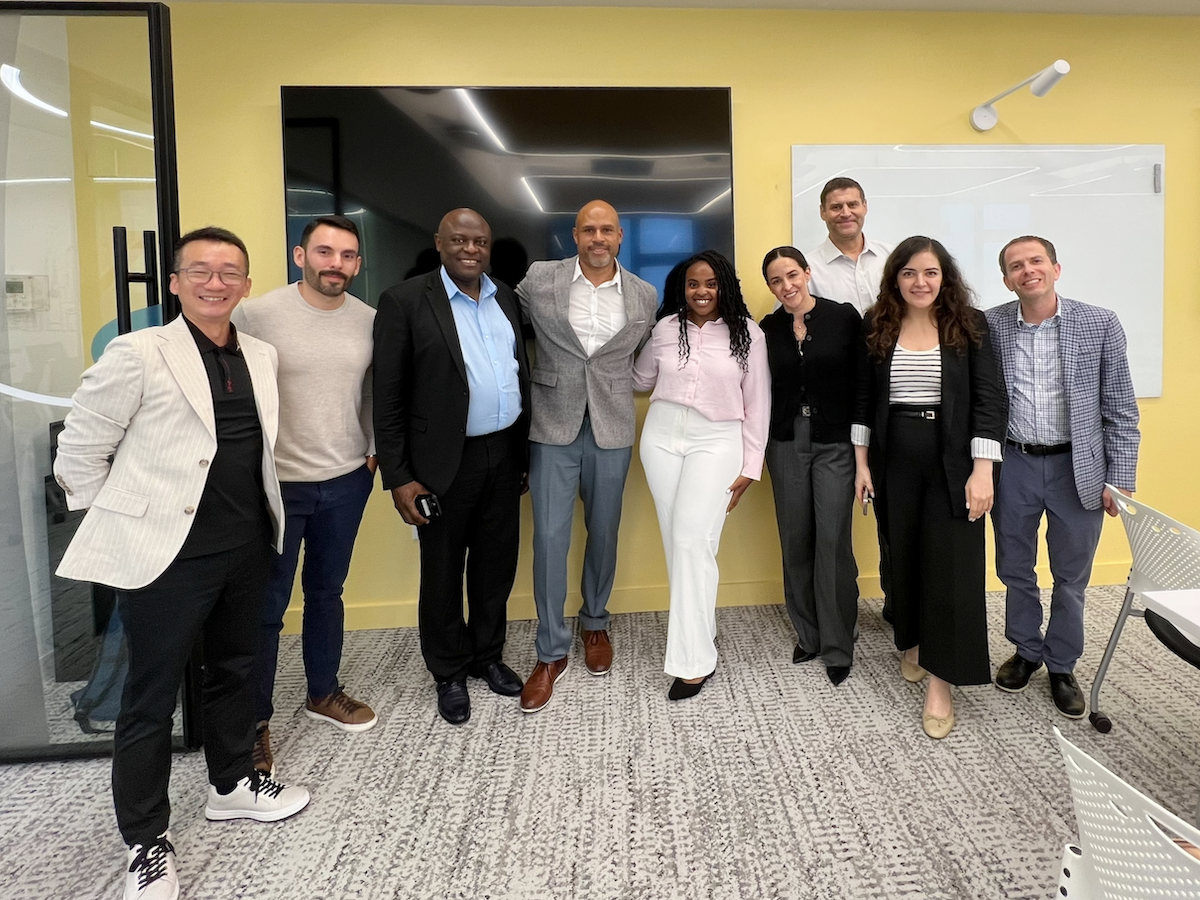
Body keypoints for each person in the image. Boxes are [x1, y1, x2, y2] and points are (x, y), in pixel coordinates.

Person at [54, 227, 310, 900]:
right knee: (150, 695)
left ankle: (231, 784)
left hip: (247, 543)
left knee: (235, 670)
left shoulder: (259, 354)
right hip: (167, 555)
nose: (215, 282)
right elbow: (79, 451)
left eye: (229, 272)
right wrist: (124, 524)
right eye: (200, 270)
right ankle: (145, 839)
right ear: (174, 283)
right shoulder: (138, 352)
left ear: (246, 284)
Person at [373, 208, 530, 725]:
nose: (470, 249)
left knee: (495, 565)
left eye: (479, 241)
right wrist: (399, 476)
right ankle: (448, 670)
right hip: (441, 462)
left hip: (503, 453)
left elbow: (517, 373)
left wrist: (523, 455)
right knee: (442, 571)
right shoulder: (403, 301)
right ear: (439, 242)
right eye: (459, 240)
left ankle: (487, 656)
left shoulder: (506, 297)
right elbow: (388, 397)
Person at [233, 215, 378, 775]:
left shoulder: (368, 320)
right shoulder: (256, 314)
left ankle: (323, 692)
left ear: (357, 264)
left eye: (347, 255)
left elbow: (376, 390)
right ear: (301, 256)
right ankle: (254, 724)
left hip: (345, 480)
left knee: (326, 591)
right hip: (277, 485)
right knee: (267, 606)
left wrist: (373, 451)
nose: (335, 264)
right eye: (324, 252)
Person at [853, 236, 1007, 739]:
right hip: (894, 455)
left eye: (930, 272)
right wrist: (862, 465)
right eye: (909, 273)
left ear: (945, 277)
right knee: (904, 555)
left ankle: (941, 683)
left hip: (954, 459)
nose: (920, 282)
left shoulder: (969, 324)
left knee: (952, 567)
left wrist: (982, 470)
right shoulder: (877, 323)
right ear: (895, 278)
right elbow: (863, 399)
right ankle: (914, 641)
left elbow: (989, 400)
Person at [986, 236, 1139, 718]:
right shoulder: (989, 325)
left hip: (1079, 467)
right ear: (1006, 279)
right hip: (1014, 463)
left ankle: (1062, 663)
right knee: (1014, 566)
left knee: (1071, 575)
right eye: (1016, 266)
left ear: (1056, 268)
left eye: (1036, 261)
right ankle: (1026, 650)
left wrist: (1121, 477)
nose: (1027, 270)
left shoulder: (1099, 323)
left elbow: (1120, 407)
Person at [515, 200, 658, 712]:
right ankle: (550, 651)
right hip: (551, 424)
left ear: (620, 237)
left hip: (612, 426)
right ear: (574, 235)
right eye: (589, 230)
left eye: (607, 230)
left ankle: (595, 623)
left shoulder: (644, 294)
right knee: (549, 540)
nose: (598, 238)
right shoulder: (540, 279)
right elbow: (503, 324)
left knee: (605, 530)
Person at [633, 250, 770, 700]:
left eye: (711, 283)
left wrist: (751, 465)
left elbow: (758, 402)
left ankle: (693, 662)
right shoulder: (665, 328)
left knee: (692, 540)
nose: (702, 291)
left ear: (724, 286)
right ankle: (702, 629)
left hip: (717, 440)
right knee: (681, 542)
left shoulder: (748, 334)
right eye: (693, 283)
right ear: (682, 288)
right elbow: (640, 379)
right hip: (661, 437)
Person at [759, 246, 864, 685]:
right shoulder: (767, 328)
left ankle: (838, 644)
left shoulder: (843, 317)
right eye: (775, 280)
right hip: (785, 442)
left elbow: (863, 384)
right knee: (795, 539)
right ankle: (809, 634)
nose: (786, 286)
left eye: (791, 275)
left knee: (833, 539)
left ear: (806, 272)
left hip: (835, 441)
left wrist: (863, 452)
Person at [807, 177, 893, 315]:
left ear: (865, 207)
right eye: (836, 207)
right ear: (823, 212)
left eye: (852, 205)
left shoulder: (891, 257)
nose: (846, 213)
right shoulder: (808, 270)